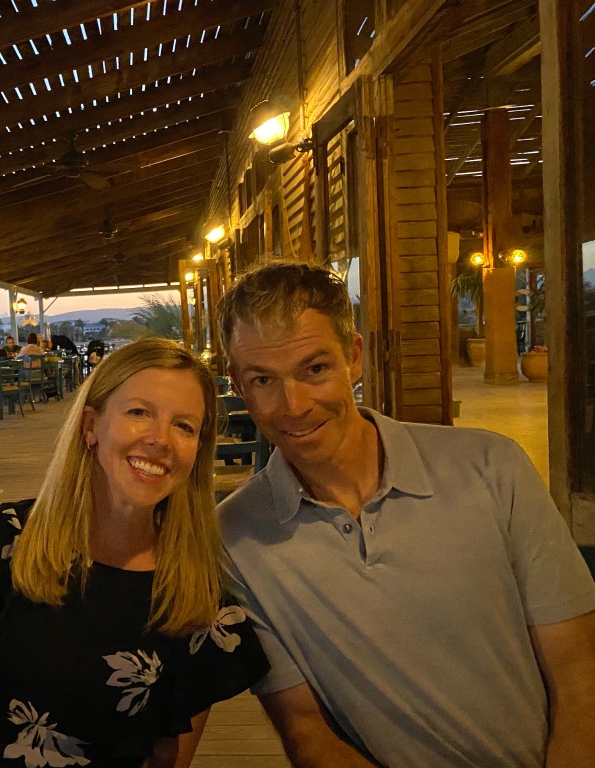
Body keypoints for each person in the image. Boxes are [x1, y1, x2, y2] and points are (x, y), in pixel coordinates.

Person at [215, 261, 595, 767]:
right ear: (238, 386)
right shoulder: (236, 537)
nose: (294, 405)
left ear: (354, 357)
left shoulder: (491, 467)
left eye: (315, 369)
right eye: (263, 379)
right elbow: (307, 732)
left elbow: (578, 674)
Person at [0, 337, 269, 767]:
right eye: (139, 412)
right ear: (90, 426)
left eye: (184, 426)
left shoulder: (197, 589)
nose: (160, 440)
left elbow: (168, 760)